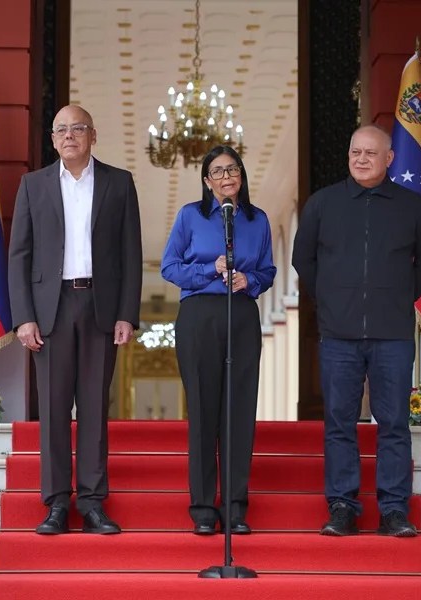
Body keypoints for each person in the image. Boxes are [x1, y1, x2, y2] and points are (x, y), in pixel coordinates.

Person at [291, 124, 421, 537]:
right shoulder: (323, 204)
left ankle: (394, 510)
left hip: (392, 333)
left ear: (389, 159)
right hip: (338, 334)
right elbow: (304, 259)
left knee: (393, 422)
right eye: (356, 151)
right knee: (339, 421)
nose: (361, 159)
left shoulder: (413, 206)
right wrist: (333, 297)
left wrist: (398, 295)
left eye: (371, 153)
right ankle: (342, 506)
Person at [8, 105, 142, 535]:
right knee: (52, 408)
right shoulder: (33, 185)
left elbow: (130, 255)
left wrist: (127, 313)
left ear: (92, 135)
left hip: (100, 306)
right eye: (61, 130)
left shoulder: (119, 184)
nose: (69, 136)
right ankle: (56, 505)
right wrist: (23, 317)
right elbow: (19, 256)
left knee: (93, 409)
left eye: (78, 128)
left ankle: (93, 502)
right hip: (51, 310)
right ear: (53, 139)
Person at [161, 145, 276, 536]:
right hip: (199, 317)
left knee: (239, 413)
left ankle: (235, 506)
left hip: (241, 315)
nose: (226, 177)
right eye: (217, 172)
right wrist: (211, 269)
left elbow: (268, 270)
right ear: (207, 181)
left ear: (241, 176)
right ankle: (203, 508)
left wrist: (251, 280)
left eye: (232, 170)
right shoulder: (191, 216)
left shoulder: (257, 219)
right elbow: (169, 266)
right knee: (204, 412)